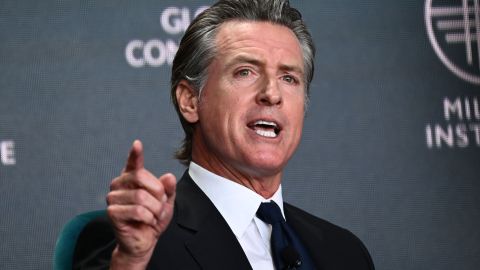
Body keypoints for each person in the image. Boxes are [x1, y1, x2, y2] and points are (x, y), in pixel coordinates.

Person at [73, 0, 375, 269]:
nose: (272, 93)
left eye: (288, 77)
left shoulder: (345, 252)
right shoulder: (133, 243)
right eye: (245, 71)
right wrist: (130, 262)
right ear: (191, 101)